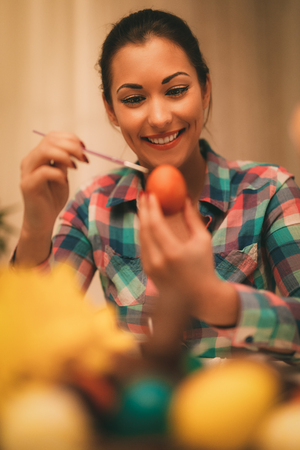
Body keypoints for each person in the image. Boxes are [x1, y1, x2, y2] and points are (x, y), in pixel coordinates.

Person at [14, 9, 300, 363]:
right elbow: (30, 338)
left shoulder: (268, 191)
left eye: (176, 90)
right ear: (111, 110)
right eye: (134, 99)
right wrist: (34, 228)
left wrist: (215, 297)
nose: (161, 118)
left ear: (205, 89)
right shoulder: (92, 208)